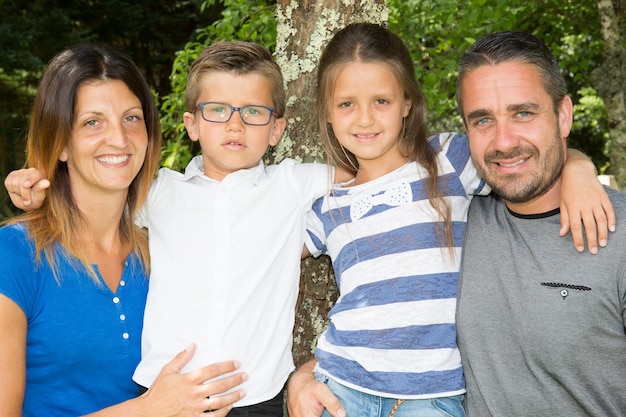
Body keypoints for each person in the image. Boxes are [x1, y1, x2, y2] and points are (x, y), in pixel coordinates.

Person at [284, 23, 614, 417]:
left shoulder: (447, 160)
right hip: (341, 386)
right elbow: (266, 261)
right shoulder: (328, 204)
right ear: (327, 113)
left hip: (433, 397)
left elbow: (519, 160)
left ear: (407, 103)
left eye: (381, 101)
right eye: (346, 104)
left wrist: (579, 169)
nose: (365, 119)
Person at [5, 41, 342, 416]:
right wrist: (153, 408)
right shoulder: (19, 254)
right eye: (92, 122)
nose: (118, 138)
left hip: (253, 398)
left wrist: (306, 373)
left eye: (131, 118)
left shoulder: (152, 247)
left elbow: (370, 179)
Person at [454, 30, 626, 416]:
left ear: (563, 115)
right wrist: (307, 373)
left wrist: (577, 165)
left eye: (523, 113)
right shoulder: (453, 220)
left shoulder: (621, 238)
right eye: (483, 120)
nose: (503, 141)